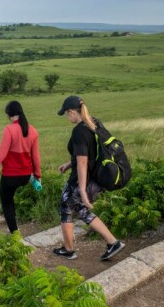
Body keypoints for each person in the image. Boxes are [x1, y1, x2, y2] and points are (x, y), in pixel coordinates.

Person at [53, 95, 125, 261]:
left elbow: (83, 161)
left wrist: (83, 190)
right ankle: (71, 248)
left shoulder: (79, 131)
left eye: (66, 113)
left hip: (84, 179)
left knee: (70, 205)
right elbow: (91, 152)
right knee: (73, 207)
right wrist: (69, 164)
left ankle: (109, 242)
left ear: (72, 112)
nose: (66, 117)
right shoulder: (94, 123)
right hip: (97, 177)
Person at [0, 100, 41, 234]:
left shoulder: (9, 129)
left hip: (10, 176)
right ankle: (15, 224)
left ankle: (15, 233)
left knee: (7, 202)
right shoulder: (32, 130)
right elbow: (36, 157)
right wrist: (38, 176)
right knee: (10, 198)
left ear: (9, 115)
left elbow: (2, 153)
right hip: (26, 176)